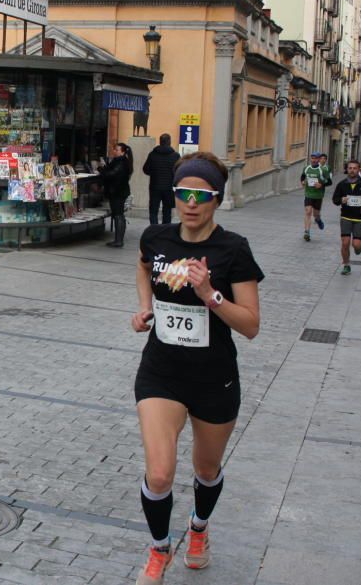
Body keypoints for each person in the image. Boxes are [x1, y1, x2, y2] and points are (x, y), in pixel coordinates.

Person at [131, 152, 263, 584]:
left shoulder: (233, 249)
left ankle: (199, 529)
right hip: (161, 371)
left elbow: (251, 326)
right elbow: (144, 267)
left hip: (213, 378)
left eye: (200, 195)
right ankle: (158, 549)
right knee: (160, 471)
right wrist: (144, 308)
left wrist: (210, 293)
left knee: (206, 470)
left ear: (216, 200)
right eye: (182, 193)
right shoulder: (156, 237)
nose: (189, 203)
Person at [331, 159, 361, 275]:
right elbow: (335, 200)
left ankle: (358, 248)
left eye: (354, 168)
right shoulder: (342, 184)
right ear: (347, 169)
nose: (352, 170)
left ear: (358, 169)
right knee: (345, 243)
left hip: (359, 219)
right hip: (345, 217)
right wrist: (341, 200)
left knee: (356, 245)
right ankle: (346, 264)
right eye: (350, 168)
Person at [99, 142, 133, 247]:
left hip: (117, 192)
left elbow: (111, 174)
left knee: (118, 214)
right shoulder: (121, 161)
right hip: (119, 191)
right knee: (119, 214)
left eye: (117, 150)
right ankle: (118, 239)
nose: (114, 151)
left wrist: (102, 169)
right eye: (115, 149)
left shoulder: (121, 162)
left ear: (122, 152)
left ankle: (118, 240)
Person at [143, 133, 181, 225]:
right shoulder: (175, 156)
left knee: (153, 211)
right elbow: (179, 171)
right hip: (169, 188)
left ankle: (154, 230)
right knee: (167, 211)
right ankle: (165, 230)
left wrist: (154, 173)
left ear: (160, 142)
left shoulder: (152, 154)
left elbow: (145, 169)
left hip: (155, 187)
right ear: (169, 142)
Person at [300, 152, 332, 241]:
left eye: (315, 158)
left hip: (318, 195)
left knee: (316, 214)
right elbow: (302, 177)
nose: (313, 160)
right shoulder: (306, 168)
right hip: (308, 194)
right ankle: (307, 232)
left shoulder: (323, 170)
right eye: (312, 158)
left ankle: (318, 220)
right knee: (308, 212)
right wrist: (302, 182)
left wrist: (321, 185)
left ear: (319, 160)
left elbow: (329, 182)